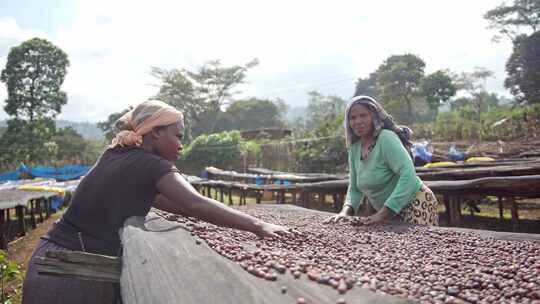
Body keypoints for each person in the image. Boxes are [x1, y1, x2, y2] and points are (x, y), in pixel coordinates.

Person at [22, 100, 290, 304]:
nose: (181, 145)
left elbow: (167, 202)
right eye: (178, 136)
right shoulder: (150, 164)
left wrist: (204, 219)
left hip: (50, 262)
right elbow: (195, 202)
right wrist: (259, 225)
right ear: (155, 133)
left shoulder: (117, 154)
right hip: (70, 275)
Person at [325, 96, 439, 226]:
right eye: (353, 118)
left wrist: (383, 214)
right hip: (387, 211)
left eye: (363, 116)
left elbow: (409, 174)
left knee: (416, 245)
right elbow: (355, 188)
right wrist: (345, 213)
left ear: (374, 116)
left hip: (415, 203)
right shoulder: (355, 149)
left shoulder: (386, 138)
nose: (358, 121)